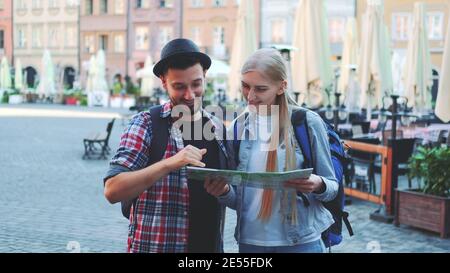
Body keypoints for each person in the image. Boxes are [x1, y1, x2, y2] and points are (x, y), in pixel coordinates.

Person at [103, 38, 234, 253]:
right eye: (179, 86)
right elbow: (112, 190)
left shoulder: (217, 127)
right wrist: (169, 163)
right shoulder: (145, 124)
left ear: (205, 77)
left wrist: (225, 189)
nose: (190, 95)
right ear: (163, 82)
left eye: (196, 84)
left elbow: (232, 191)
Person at [205, 48, 338, 253]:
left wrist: (318, 184)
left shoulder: (307, 122)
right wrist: (223, 192)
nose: (250, 96)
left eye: (260, 89)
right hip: (250, 243)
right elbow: (237, 200)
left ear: (281, 87)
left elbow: (332, 188)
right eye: (245, 86)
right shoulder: (239, 127)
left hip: (300, 243)